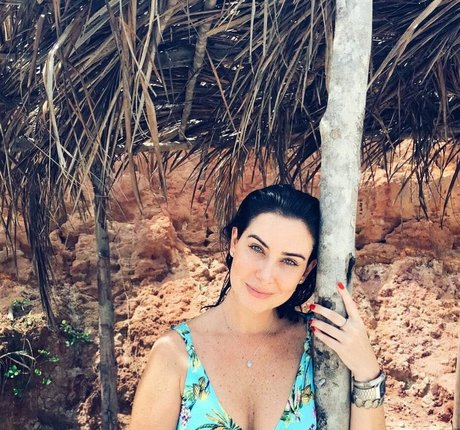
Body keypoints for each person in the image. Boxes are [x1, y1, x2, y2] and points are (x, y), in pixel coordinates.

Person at [131, 184, 386, 429]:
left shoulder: (324, 346)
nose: (265, 275)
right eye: (256, 248)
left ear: (306, 271)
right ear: (234, 242)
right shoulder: (174, 356)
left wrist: (367, 373)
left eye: (289, 261)